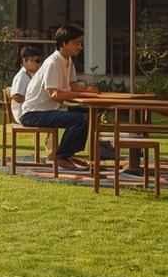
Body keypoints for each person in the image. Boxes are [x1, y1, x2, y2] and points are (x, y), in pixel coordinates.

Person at [20, 24, 100, 170]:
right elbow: (55, 94)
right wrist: (83, 93)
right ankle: (61, 156)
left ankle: (68, 154)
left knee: (89, 114)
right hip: (33, 114)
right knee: (80, 119)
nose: (80, 47)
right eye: (76, 43)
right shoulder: (53, 62)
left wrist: (88, 89)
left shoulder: (68, 60)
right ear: (64, 43)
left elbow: (73, 85)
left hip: (48, 110)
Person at [8, 45, 45, 124]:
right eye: (37, 61)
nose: (40, 64)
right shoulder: (22, 76)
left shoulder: (31, 75)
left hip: (29, 112)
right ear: (26, 61)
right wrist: (33, 101)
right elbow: (16, 96)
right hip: (24, 115)